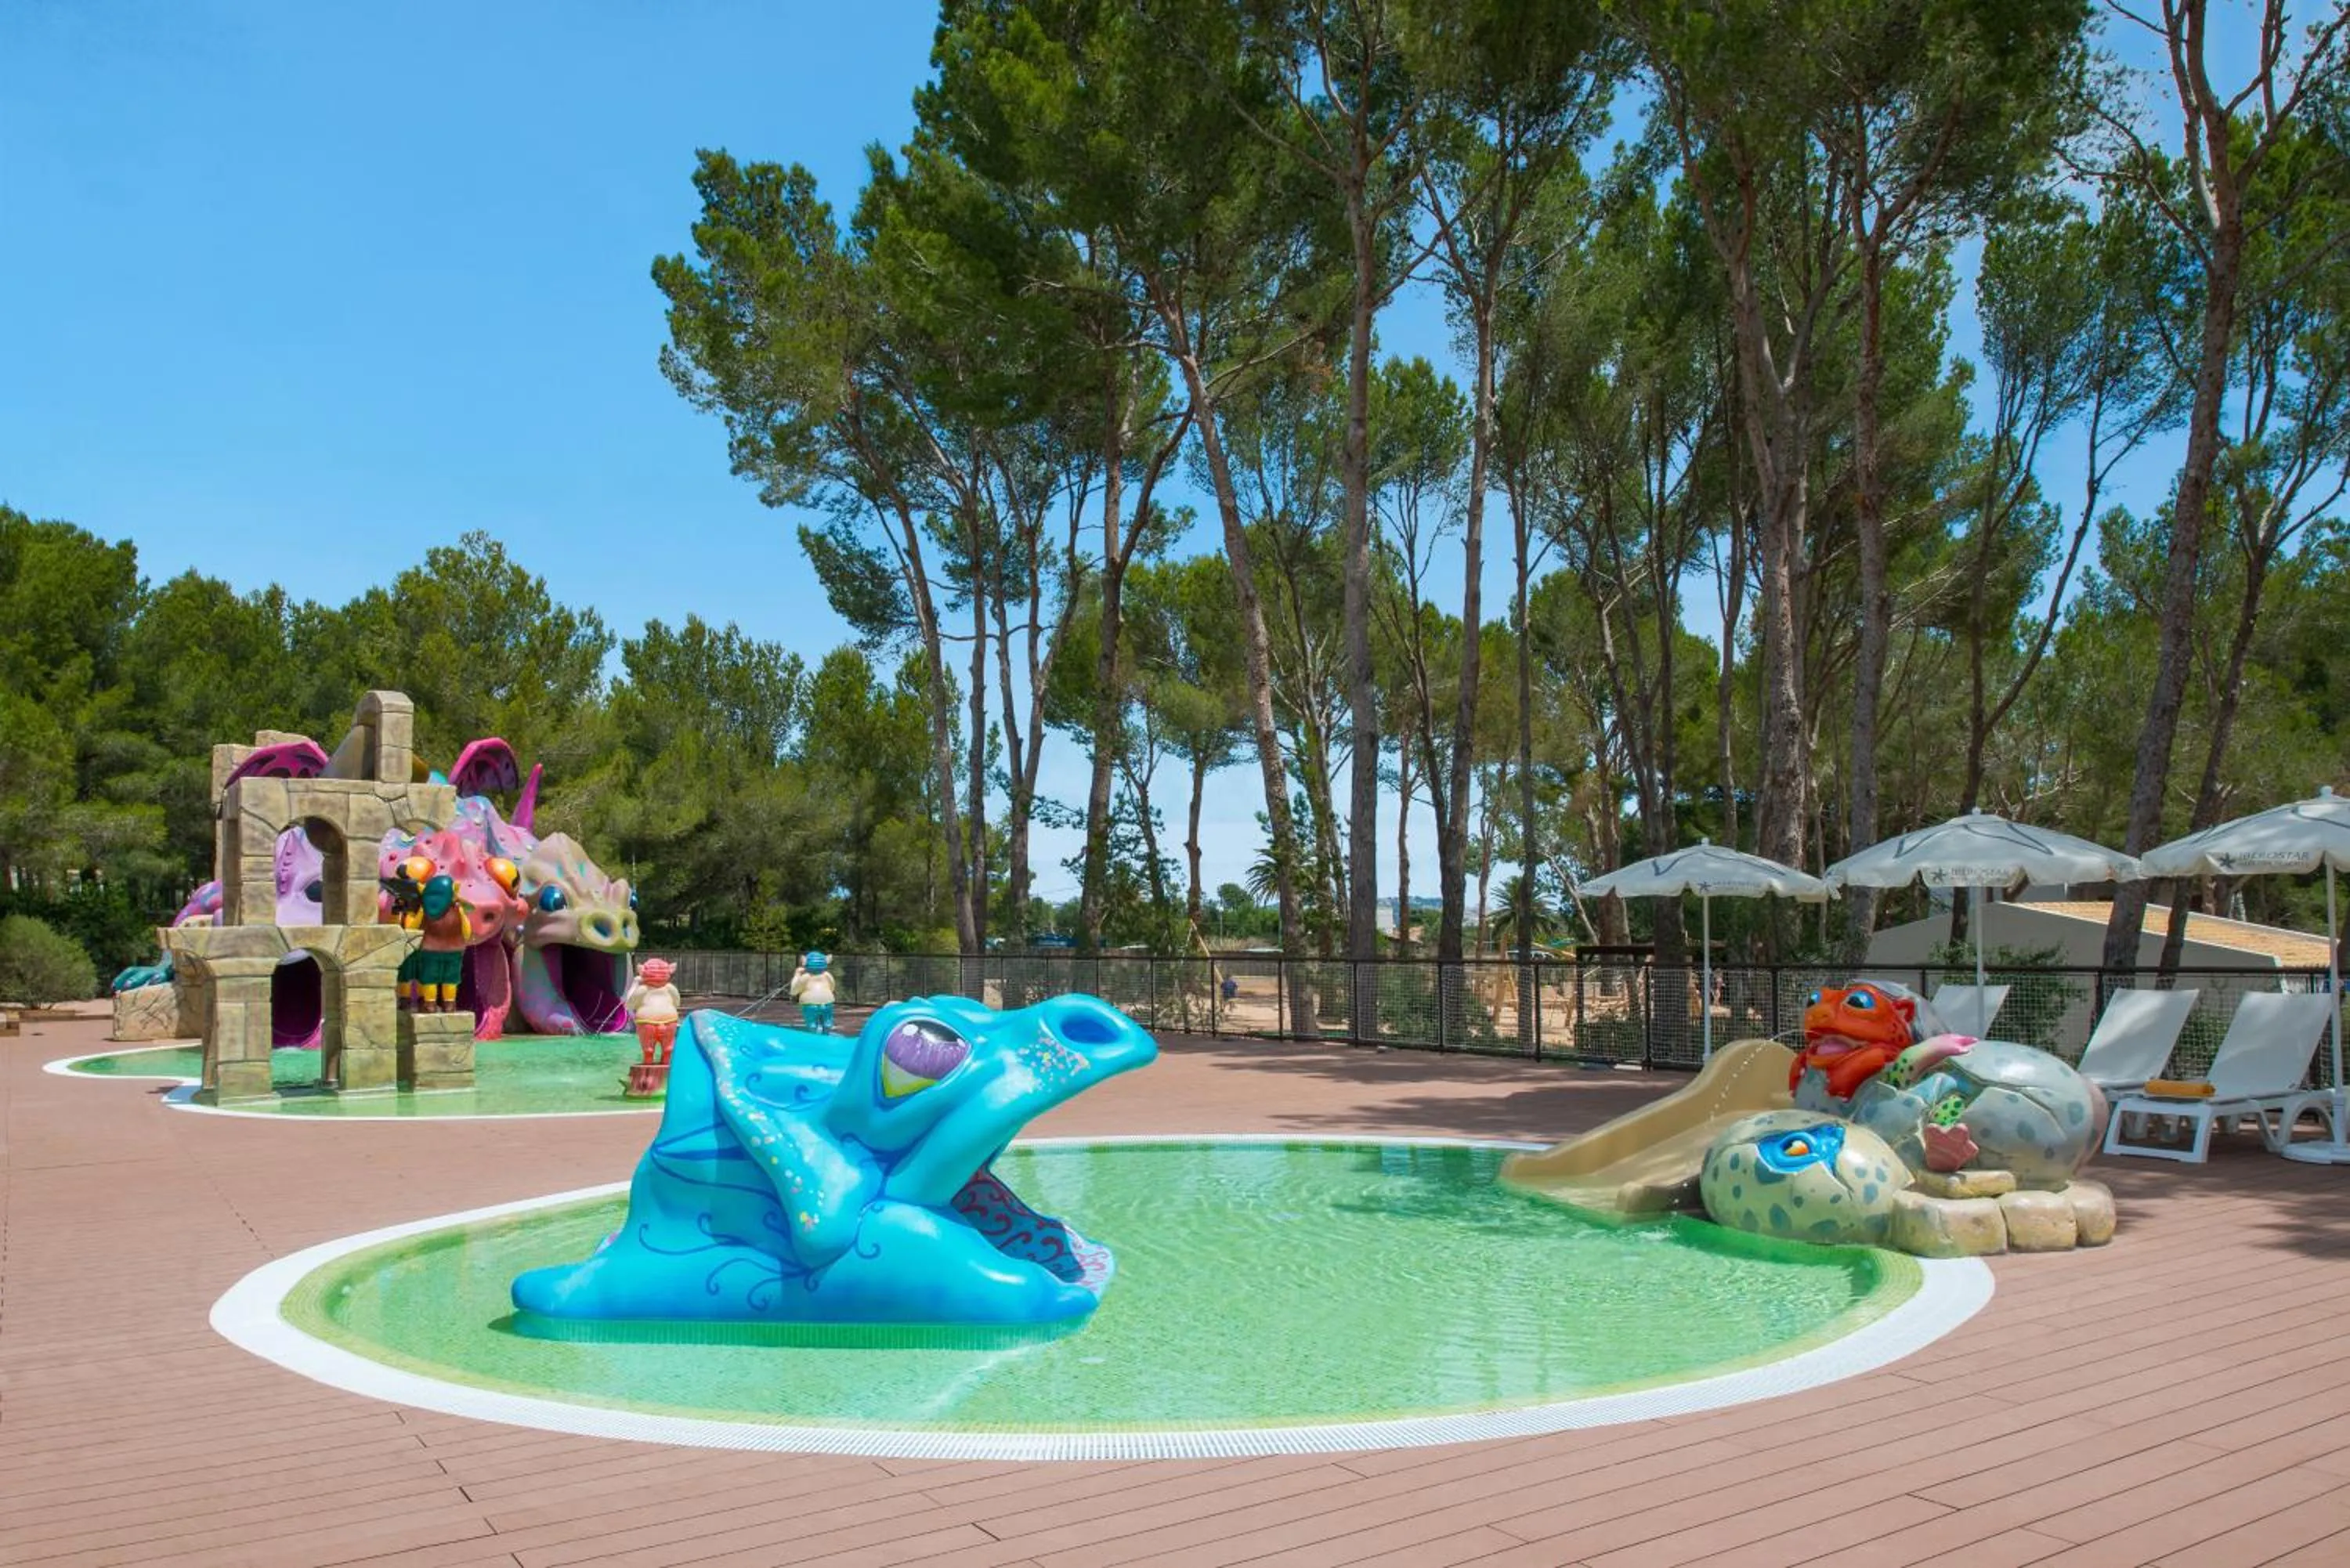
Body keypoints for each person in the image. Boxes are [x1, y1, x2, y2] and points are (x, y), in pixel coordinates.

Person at [405, 873, 470, 1013]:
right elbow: (467, 931)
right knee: (450, 979)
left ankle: (430, 1005)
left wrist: (421, 912)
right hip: (454, 950)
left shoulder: (427, 911)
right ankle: (449, 1005)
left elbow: (412, 929)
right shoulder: (457, 911)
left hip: (430, 950)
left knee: (430, 979)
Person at [624, 957, 682, 1068]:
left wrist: (635, 983)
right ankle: (666, 1072)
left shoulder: (642, 989)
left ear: (643, 973)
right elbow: (677, 1003)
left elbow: (629, 1005)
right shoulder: (670, 988)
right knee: (668, 1049)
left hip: (647, 1021)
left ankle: (648, 1072)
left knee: (648, 1050)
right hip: (669, 1021)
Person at [790, 951, 837, 1034]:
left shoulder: (806, 977)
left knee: (812, 1024)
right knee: (827, 1023)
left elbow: (793, 991)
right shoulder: (827, 975)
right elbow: (832, 987)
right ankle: (826, 1036)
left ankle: (813, 1039)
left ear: (806, 963)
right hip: (827, 1002)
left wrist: (797, 975)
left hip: (809, 1003)